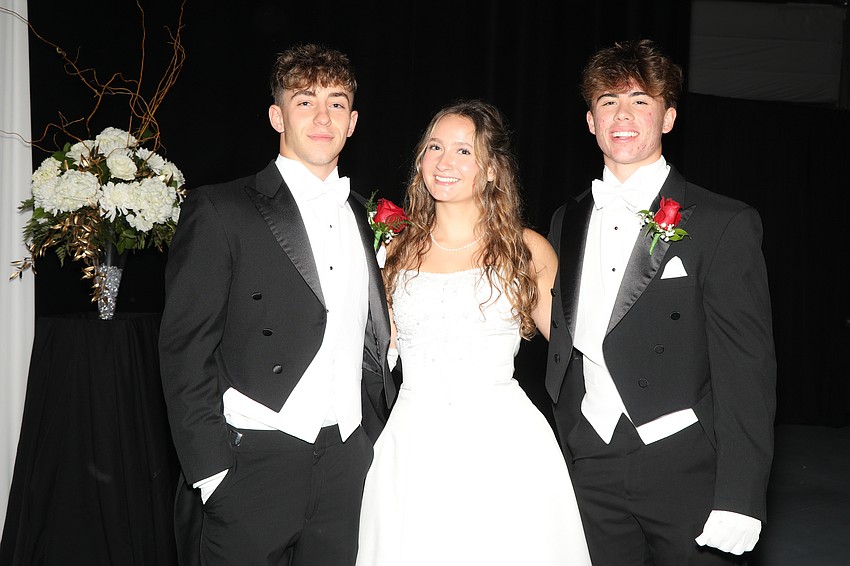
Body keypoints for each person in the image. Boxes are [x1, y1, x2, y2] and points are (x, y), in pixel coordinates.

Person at [158, 43, 395, 566]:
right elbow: (184, 351)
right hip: (252, 462)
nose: (322, 116)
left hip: (347, 459)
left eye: (336, 103)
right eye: (304, 101)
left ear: (352, 122)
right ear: (276, 115)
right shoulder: (220, 208)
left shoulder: (363, 215)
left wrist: (371, 442)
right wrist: (211, 472)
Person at [546, 39, 776, 565]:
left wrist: (741, 495)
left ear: (668, 118)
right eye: (608, 102)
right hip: (590, 457)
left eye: (640, 101)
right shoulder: (568, 219)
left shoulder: (722, 223)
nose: (622, 115)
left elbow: (747, 370)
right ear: (590, 121)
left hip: (685, 465)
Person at [355, 99, 592, 566]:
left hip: (503, 445)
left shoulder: (526, 249)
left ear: (491, 170)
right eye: (435, 147)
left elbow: (577, 352)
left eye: (464, 151)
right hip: (413, 446)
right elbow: (376, 351)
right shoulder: (395, 251)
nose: (445, 162)